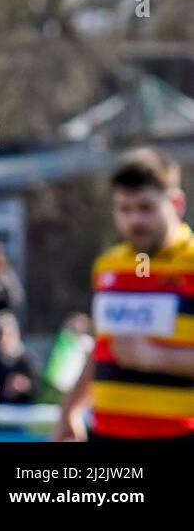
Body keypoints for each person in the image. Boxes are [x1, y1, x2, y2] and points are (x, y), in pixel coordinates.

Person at [54, 148, 194, 441]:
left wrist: (157, 357)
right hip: (107, 434)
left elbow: (141, 354)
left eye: (146, 208)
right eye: (125, 209)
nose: (135, 221)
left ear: (176, 203)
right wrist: (70, 410)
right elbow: (103, 347)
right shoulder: (109, 265)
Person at [0, 310, 36, 405]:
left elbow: (38, 392)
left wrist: (25, 387)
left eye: (7, 333)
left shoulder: (27, 361)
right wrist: (5, 392)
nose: (3, 339)